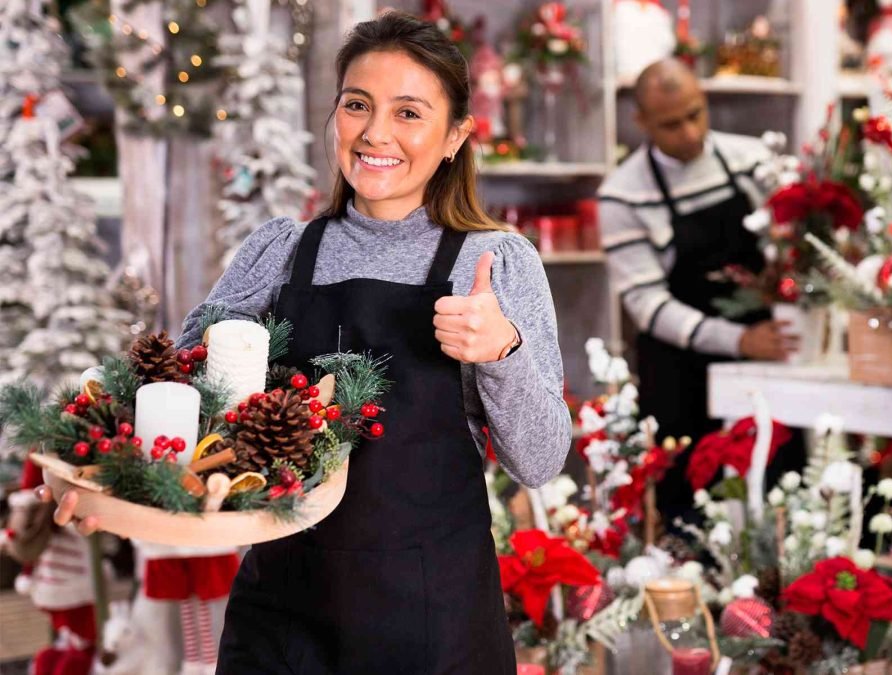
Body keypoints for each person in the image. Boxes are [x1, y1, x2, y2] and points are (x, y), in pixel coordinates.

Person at [37, 11, 572, 674]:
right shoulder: (279, 252)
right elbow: (181, 408)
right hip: (282, 619)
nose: (376, 133)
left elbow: (542, 460)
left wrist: (503, 351)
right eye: (357, 105)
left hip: (432, 620)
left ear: (455, 135)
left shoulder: (496, 263)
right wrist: (118, 496)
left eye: (409, 113)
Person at [597, 58, 799, 523]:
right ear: (641, 122)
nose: (689, 133)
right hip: (681, 376)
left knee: (781, 494)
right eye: (670, 124)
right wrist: (737, 341)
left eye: (696, 114)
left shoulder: (752, 160)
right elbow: (648, 305)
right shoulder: (622, 194)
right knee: (694, 511)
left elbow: (792, 244)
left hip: (765, 357)